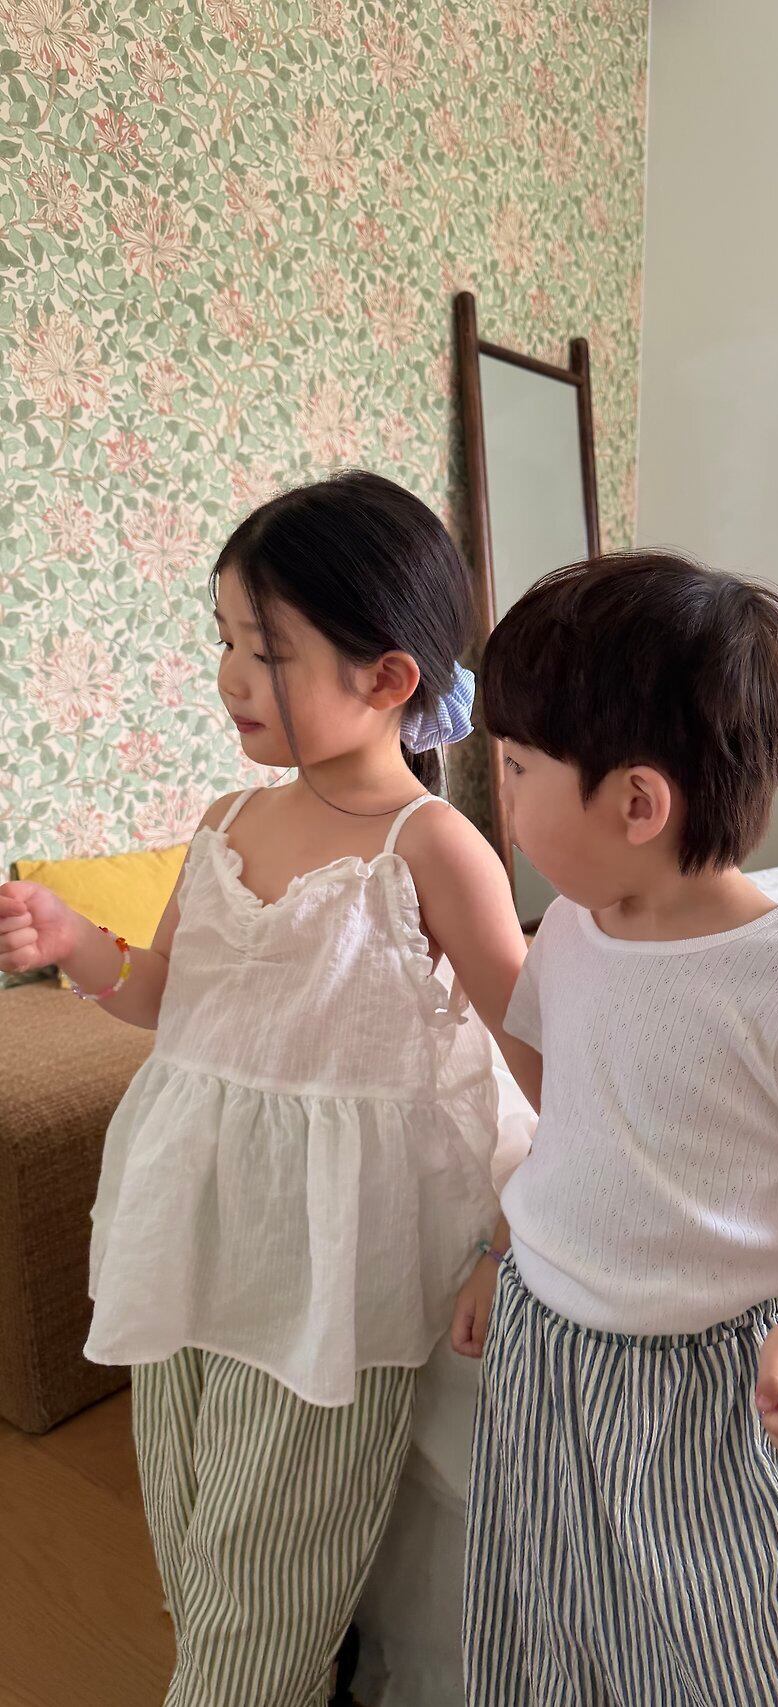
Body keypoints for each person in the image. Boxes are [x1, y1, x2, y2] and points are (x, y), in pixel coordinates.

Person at [0, 470, 538, 1707]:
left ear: (388, 679)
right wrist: (76, 940)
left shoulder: (433, 847)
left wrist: (509, 1237)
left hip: (332, 1252)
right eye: (227, 641)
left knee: (270, 1554)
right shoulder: (226, 817)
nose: (232, 677)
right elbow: (164, 996)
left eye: (269, 651)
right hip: (190, 1209)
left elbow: (536, 1054)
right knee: (186, 1498)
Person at [452, 551, 778, 1707]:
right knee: (544, 1602)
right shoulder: (572, 929)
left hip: (694, 1374)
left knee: (728, 1634)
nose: (500, 798)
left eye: (516, 768)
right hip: (541, 1344)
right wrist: (501, 1249)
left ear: (635, 802)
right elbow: (577, 1119)